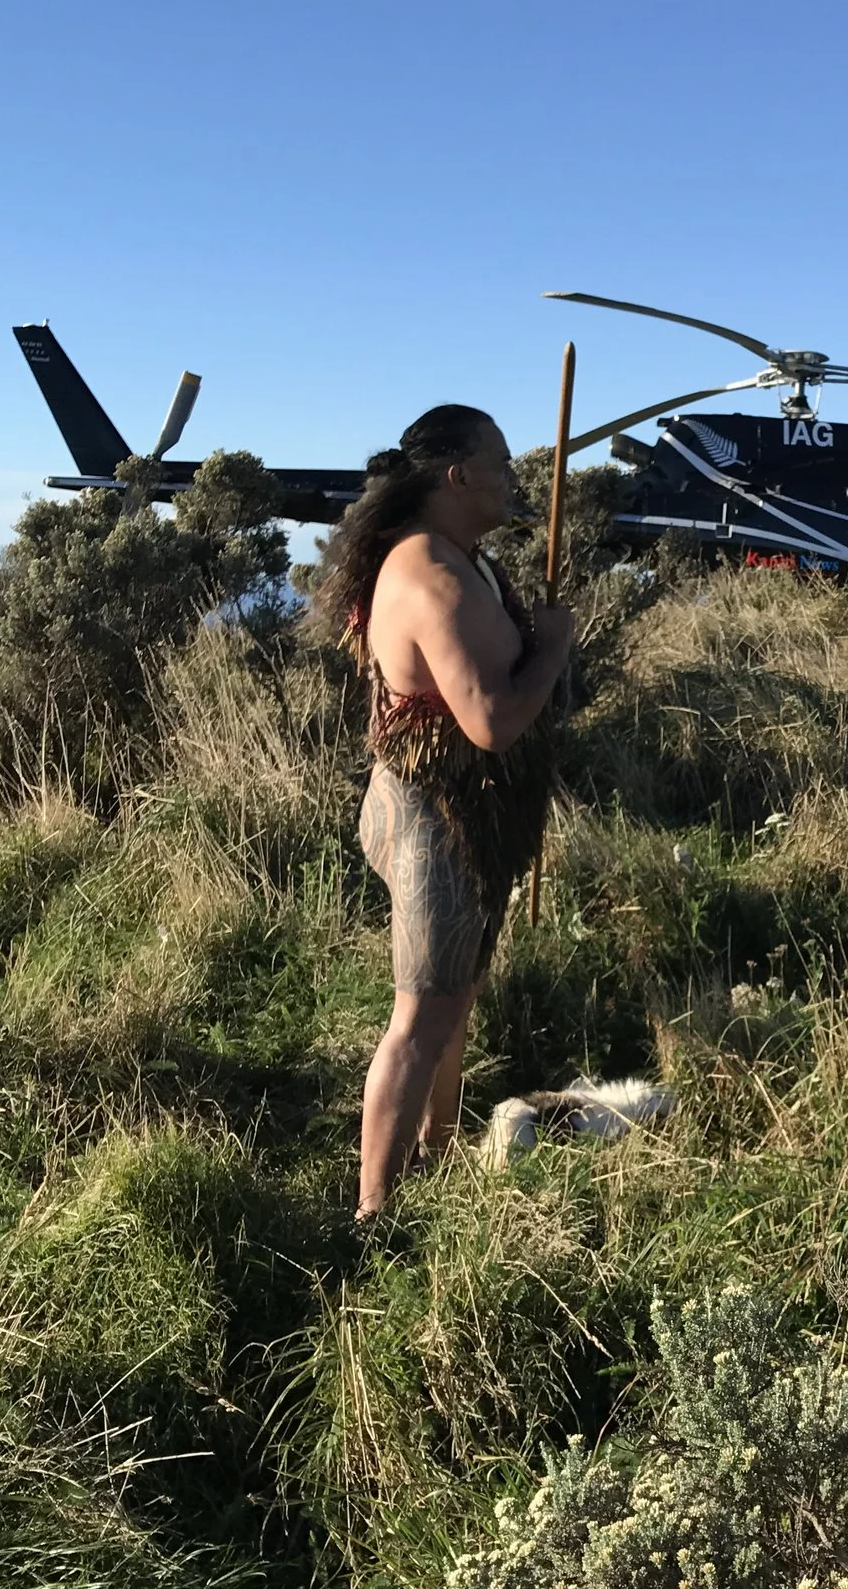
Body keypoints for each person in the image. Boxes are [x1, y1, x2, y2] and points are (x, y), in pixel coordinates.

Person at [311, 405, 576, 1216]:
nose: (514, 476)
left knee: (453, 996)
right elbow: (491, 722)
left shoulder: (460, 557)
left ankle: (440, 1143)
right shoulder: (433, 574)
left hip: (460, 819)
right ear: (457, 474)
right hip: (434, 821)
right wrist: (554, 647)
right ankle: (372, 1215)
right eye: (501, 461)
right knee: (421, 1018)